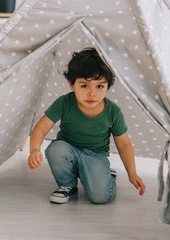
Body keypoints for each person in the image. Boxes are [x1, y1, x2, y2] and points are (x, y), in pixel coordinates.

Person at [27, 47, 145, 204]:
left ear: (107, 85)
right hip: (68, 152)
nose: (92, 93)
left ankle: (106, 176)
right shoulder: (64, 103)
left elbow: (123, 144)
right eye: (84, 86)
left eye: (99, 86)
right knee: (56, 149)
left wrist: (132, 173)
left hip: (95, 157)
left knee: (99, 198)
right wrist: (34, 149)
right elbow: (41, 127)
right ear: (71, 84)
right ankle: (67, 186)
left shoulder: (113, 112)